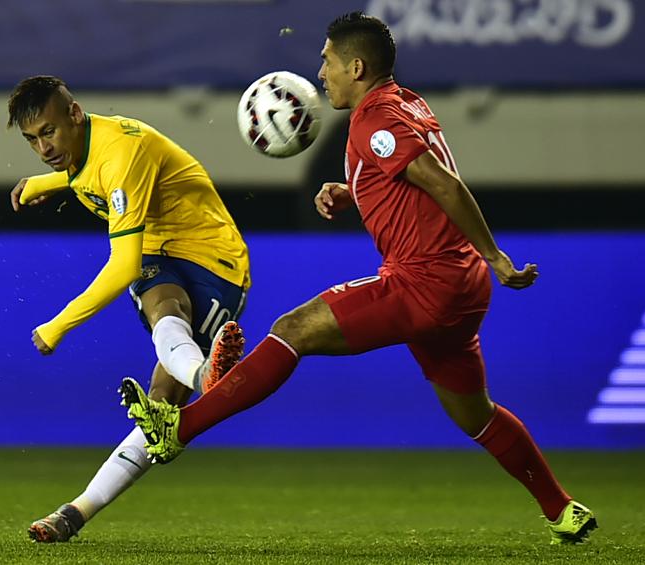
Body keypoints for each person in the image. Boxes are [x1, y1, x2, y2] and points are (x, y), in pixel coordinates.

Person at [119, 12, 597, 545]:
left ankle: (177, 428)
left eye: (327, 60)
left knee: (292, 329)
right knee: (476, 416)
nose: (321, 73)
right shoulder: (405, 102)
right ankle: (563, 509)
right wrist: (356, 189)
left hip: (424, 282)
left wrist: (496, 255)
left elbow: (443, 183)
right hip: (461, 290)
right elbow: (413, 174)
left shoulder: (376, 120)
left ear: (357, 65)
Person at [6, 75, 249, 542]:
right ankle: (72, 514)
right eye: (32, 139)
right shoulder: (84, 149)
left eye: (49, 132)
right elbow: (85, 173)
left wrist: (58, 326)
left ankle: (198, 378)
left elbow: (122, 266)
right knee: (164, 312)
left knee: (161, 406)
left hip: (215, 257)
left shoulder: (122, 151)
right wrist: (47, 181)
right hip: (161, 250)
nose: (43, 147)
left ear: (75, 114)